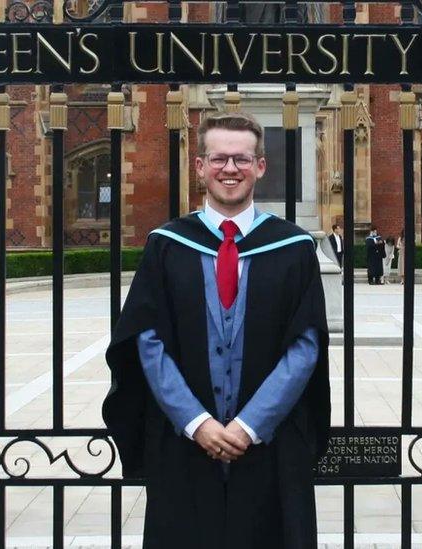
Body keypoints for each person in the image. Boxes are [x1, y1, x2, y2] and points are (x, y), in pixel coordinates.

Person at [103, 111, 331, 549]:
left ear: (260, 166)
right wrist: (196, 422)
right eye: (220, 158)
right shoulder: (167, 245)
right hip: (186, 445)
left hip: (269, 445)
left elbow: (305, 347)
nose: (231, 169)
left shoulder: (294, 248)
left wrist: (249, 424)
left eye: (242, 159)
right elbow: (147, 342)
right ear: (201, 166)